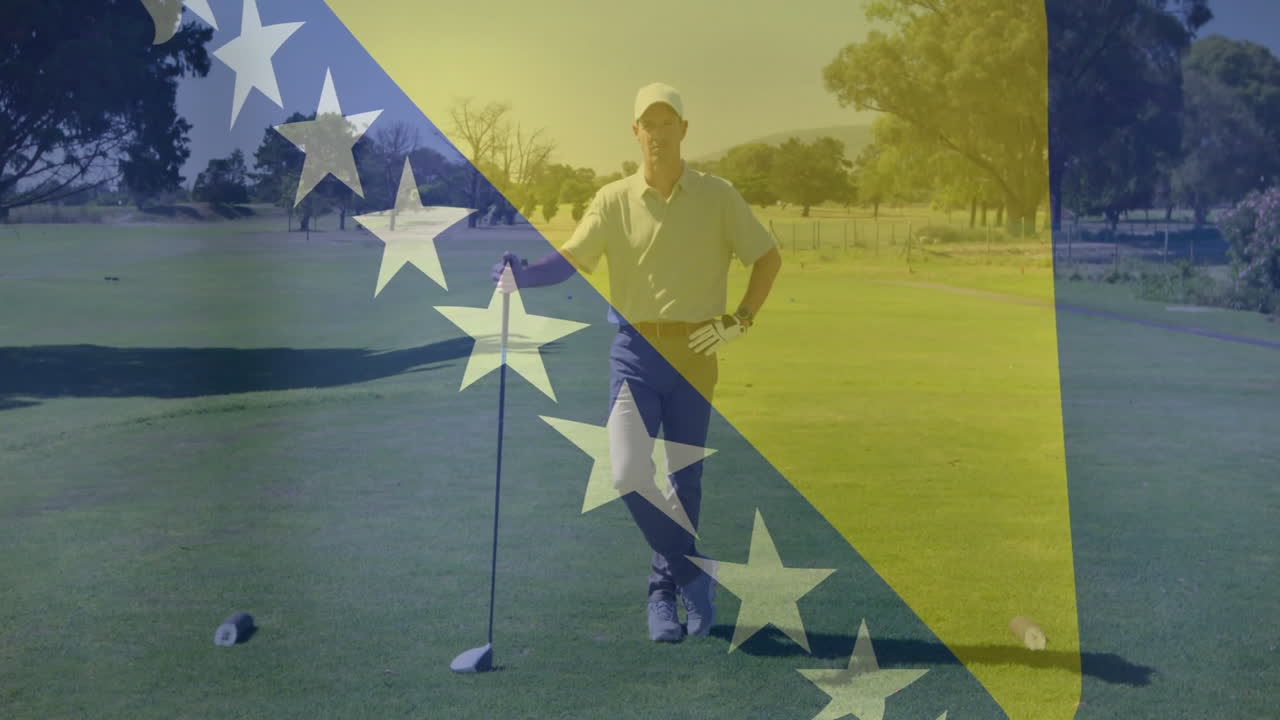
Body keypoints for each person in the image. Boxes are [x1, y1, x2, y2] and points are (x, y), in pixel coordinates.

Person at [490, 82, 782, 642]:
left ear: (683, 129)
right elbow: (571, 260)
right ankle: (692, 574)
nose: (658, 132)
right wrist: (524, 275)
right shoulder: (612, 199)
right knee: (627, 473)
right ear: (636, 132)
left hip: (697, 353)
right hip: (634, 352)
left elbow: (766, 257)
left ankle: (663, 597)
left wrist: (740, 319)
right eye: (648, 123)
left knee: (683, 480)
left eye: (667, 121)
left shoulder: (718, 195)